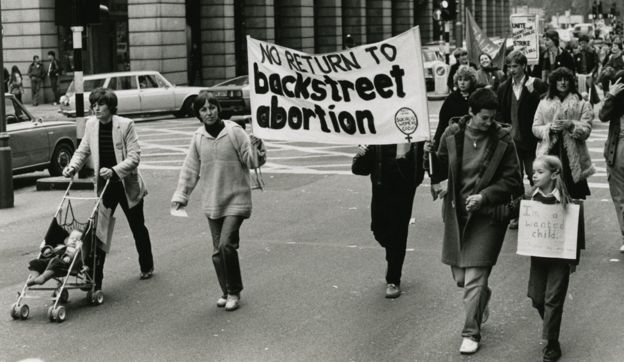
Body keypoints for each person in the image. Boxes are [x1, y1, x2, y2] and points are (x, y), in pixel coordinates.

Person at [434, 88, 523, 355]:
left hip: (487, 217)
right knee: (462, 278)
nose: (489, 123)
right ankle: (482, 296)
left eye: (492, 117)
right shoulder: (452, 134)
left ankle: (471, 333)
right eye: (484, 118)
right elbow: (439, 164)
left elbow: (513, 180)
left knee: (474, 277)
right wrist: (434, 170)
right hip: (457, 215)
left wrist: (485, 197)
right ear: (470, 113)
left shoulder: (503, 138)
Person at [171, 91, 266, 312]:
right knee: (217, 252)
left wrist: (257, 147)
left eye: (212, 107)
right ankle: (225, 290)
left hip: (237, 198)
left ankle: (234, 291)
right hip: (213, 201)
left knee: (226, 245)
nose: (209, 112)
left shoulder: (234, 132)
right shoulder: (198, 138)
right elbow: (190, 169)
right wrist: (180, 197)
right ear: (198, 114)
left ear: (218, 108)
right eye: (203, 109)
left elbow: (251, 161)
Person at [63, 87, 155, 291]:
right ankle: (95, 279)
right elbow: (83, 150)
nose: (95, 109)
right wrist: (72, 167)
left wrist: (114, 170)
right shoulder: (91, 125)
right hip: (105, 188)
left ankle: (146, 265)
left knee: (137, 227)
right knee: (99, 232)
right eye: (93, 105)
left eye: (100, 105)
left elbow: (134, 157)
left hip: (125, 184)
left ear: (111, 106)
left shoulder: (125, 125)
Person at [523, 155, 584, 362]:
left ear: (554, 174)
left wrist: (573, 259)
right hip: (538, 257)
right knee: (537, 297)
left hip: (560, 257)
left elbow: (577, 230)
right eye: (533, 172)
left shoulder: (566, 198)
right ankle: (551, 325)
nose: (535, 175)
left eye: (540, 172)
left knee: (553, 300)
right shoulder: (531, 196)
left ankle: (552, 343)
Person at [352, 141, 425, 298]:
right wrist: (363, 152)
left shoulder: (414, 134)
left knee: (398, 232)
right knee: (378, 229)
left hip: (404, 187)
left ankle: (393, 279)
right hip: (381, 186)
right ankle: (393, 253)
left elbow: (424, 163)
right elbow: (359, 169)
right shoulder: (378, 136)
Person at [496, 50, 547, 229]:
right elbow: (499, 111)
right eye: (509, 66)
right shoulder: (503, 87)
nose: (512, 70)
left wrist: (533, 91)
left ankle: (540, 210)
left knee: (537, 176)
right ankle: (518, 214)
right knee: (515, 180)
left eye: (515, 66)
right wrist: (503, 126)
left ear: (524, 66)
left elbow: (545, 106)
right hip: (512, 141)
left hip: (532, 140)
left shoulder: (536, 83)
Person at [533, 67, 595, 201]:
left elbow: (586, 130)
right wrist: (549, 129)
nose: (563, 83)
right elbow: (535, 128)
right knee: (549, 198)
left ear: (571, 82)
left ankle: (576, 223)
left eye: (566, 80)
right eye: (559, 80)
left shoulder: (582, 103)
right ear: (554, 83)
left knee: (574, 201)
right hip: (549, 154)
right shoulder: (543, 103)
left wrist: (571, 126)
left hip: (573, 158)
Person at [430, 66, 478, 187]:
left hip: (474, 142)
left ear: (472, 81)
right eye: (460, 79)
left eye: (466, 79)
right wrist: (436, 143)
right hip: (455, 142)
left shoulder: (477, 97)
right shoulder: (451, 99)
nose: (462, 82)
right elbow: (442, 124)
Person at [598, 70, 624, 252]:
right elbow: (602, 116)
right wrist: (611, 96)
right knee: (620, 197)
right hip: (617, 149)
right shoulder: (616, 102)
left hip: (617, 149)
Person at [573, 35, 600, 104]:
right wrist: (576, 73)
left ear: (588, 43)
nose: (583, 45)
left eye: (584, 43)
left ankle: (591, 106)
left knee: (590, 92)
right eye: (581, 43)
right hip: (579, 76)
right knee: (579, 93)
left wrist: (592, 73)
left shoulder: (592, 52)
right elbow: (574, 65)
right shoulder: (576, 53)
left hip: (589, 75)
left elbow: (596, 64)